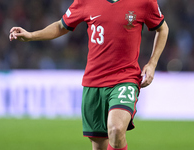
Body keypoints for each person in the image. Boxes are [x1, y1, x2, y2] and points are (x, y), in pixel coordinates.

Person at [9, 0, 169, 149]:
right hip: (93, 83)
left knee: (116, 129)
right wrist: (31, 35)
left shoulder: (144, 2)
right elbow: (61, 26)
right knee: (99, 145)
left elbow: (162, 28)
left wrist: (152, 63)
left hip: (125, 79)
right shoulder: (85, 1)